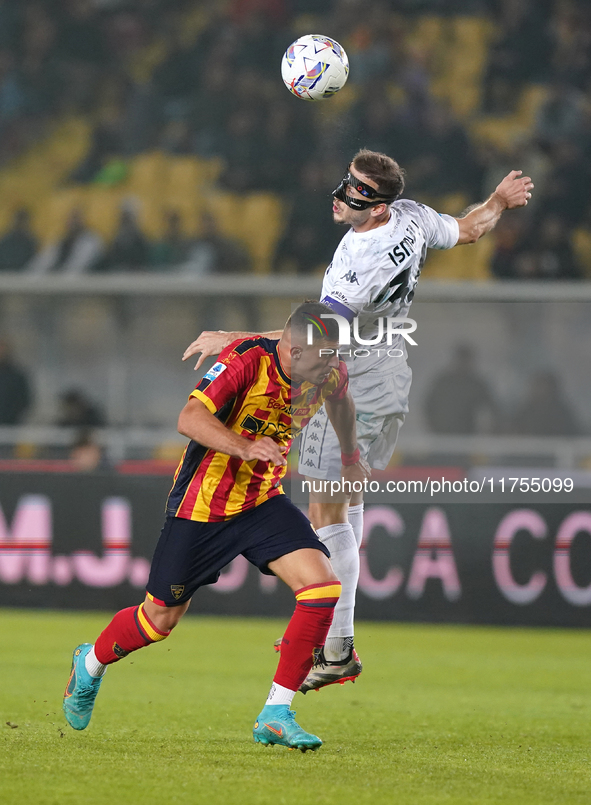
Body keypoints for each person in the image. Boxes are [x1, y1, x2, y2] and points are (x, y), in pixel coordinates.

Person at [183, 148, 534, 692]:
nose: (341, 196)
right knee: (349, 500)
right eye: (345, 183)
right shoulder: (412, 216)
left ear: (375, 210)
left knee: (324, 507)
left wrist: (231, 338)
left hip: (352, 381)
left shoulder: (364, 260)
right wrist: (499, 201)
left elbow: (313, 337)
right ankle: (338, 642)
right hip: (391, 373)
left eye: (355, 194)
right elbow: (468, 230)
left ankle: (336, 646)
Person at [63, 301, 369, 751]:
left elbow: (342, 404)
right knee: (158, 621)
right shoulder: (246, 361)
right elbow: (189, 418)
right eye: (323, 357)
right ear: (292, 350)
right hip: (202, 507)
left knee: (323, 589)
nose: (332, 367)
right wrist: (244, 446)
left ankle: (276, 713)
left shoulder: (328, 372)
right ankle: (89, 663)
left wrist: (349, 457)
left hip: (262, 501)